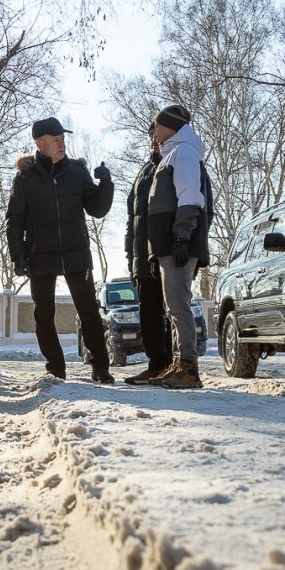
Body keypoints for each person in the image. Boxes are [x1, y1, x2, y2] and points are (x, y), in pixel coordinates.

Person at [5, 116, 115, 383]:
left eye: (63, 139)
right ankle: (56, 367)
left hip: (76, 254)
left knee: (89, 311)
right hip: (40, 256)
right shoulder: (26, 178)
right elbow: (15, 220)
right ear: (39, 143)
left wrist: (106, 184)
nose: (61, 144)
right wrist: (18, 257)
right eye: (55, 140)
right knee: (44, 313)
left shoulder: (77, 172)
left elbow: (97, 210)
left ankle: (100, 367)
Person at [147, 104, 213, 390]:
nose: (154, 131)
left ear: (171, 127)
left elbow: (190, 198)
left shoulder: (183, 152)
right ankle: (178, 362)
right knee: (172, 306)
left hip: (178, 244)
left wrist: (180, 239)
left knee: (179, 305)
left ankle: (188, 367)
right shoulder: (171, 153)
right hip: (168, 244)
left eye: (157, 125)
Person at [122, 123, 172, 385]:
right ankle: (156, 365)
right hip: (142, 256)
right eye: (151, 135)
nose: (154, 140)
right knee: (148, 314)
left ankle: (175, 365)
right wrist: (130, 255)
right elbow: (132, 219)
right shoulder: (143, 172)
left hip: (168, 253)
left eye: (159, 135)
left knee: (173, 311)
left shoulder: (178, 164)